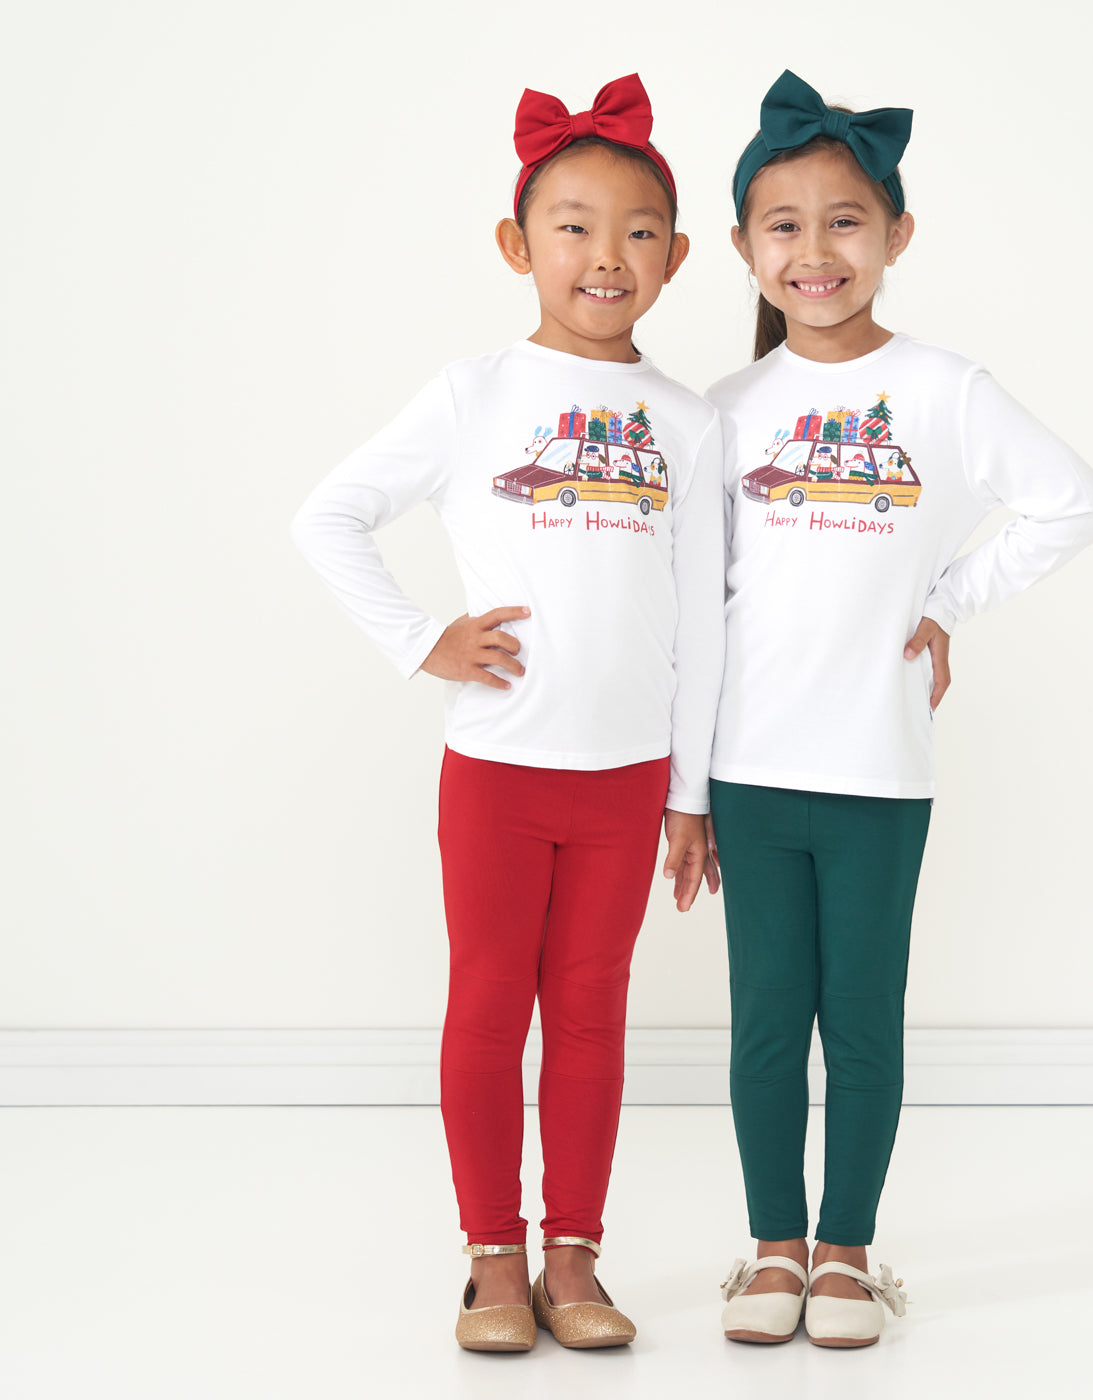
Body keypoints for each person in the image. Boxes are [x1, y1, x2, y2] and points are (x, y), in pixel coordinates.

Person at [290, 73, 724, 1355]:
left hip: (627, 775)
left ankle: (574, 1250)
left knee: (591, 1006)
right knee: (488, 1002)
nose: (606, 254)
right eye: (574, 224)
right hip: (496, 766)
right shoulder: (473, 393)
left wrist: (690, 791)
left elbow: (703, 622)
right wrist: (425, 637)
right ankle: (491, 1251)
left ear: (676, 258)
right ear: (517, 245)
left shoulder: (687, 423)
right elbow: (329, 515)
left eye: (638, 229)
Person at [707, 70, 1093, 1349]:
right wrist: (681, 788)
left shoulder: (942, 390)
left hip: (881, 765)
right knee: (769, 1017)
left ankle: (846, 1252)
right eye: (784, 223)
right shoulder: (722, 412)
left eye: (845, 220)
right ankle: (771, 1244)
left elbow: (1074, 500)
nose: (814, 249)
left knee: (862, 1016)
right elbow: (692, 603)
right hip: (749, 767)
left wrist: (950, 594)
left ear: (895, 236)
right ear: (743, 248)